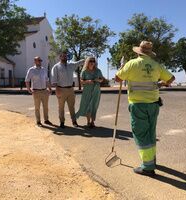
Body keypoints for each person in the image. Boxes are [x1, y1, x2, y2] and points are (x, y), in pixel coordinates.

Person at [115, 41, 175, 176]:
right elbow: (171, 78)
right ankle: (152, 159)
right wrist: (160, 83)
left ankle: (148, 166)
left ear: (138, 52)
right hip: (153, 104)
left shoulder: (132, 64)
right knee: (150, 132)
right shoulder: (156, 65)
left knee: (141, 135)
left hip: (138, 104)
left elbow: (118, 79)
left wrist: (122, 68)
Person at [51, 51, 84, 128]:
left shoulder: (71, 65)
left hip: (70, 89)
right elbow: (54, 79)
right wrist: (57, 89)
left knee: (72, 106)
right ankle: (62, 122)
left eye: (66, 56)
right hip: (61, 89)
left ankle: (74, 121)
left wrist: (85, 60)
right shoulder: (56, 67)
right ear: (60, 57)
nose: (65, 57)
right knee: (61, 107)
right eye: (63, 56)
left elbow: (78, 63)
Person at [75, 57, 103, 128]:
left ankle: (92, 122)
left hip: (96, 91)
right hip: (87, 90)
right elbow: (81, 81)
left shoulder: (98, 71)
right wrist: (87, 81)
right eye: (90, 61)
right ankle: (88, 122)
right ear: (87, 62)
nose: (92, 63)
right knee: (87, 106)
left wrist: (98, 80)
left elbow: (102, 79)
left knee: (94, 106)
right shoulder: (84, 71)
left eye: (93, 61)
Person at [25, 56, 53, 127]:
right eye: (39, 60)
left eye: (41, 60)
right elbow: (27, 80)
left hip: (44, 91)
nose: (40, 62)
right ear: (35, 61)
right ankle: (38, 121)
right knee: (37, 107)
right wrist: (29, 89)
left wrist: (49, 88)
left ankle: (46, 120)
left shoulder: (43, 69)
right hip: (36, 91)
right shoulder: (31, 70)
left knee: (46, 107)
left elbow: (47, 80)